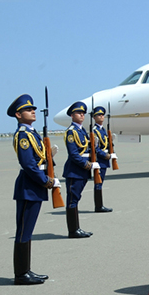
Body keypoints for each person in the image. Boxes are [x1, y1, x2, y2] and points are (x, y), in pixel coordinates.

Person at [7, 94, 58, 285]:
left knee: (27, 230)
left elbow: (38, 159)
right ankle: (21, 274)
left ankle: (26, 270)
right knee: (24, 231)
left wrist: (50, 158)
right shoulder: (23, 135)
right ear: (18, 115)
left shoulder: (32, 133)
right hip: (29, 186)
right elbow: (28, 164)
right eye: (28, 110)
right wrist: (46, 181)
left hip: (34, 185)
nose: (33, 111)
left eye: (33, 109)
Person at [63, 101, 100, 238]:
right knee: (72, 200)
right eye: (78, 113)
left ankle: (76, 228)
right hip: (75, 171)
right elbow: (74, 154)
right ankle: (73, 230)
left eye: (83, 113)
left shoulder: (82, 130)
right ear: (72, 115)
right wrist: (88, 165)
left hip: (82, 170)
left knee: (76, 198)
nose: (82, 115)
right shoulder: (71, 132)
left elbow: (87, 149)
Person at [92, 106, 117, 212]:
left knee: (100, 182)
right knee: (98, 183)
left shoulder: (103, 130)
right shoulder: (94, 131)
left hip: (104, 160)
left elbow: (107, 144)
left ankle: (99, 205)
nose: (101, 117)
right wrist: (107, 156)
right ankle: (98, 206)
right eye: (98, 115)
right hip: (100, 160)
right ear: (94, 117)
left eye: (102, 115)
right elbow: (95, 148)